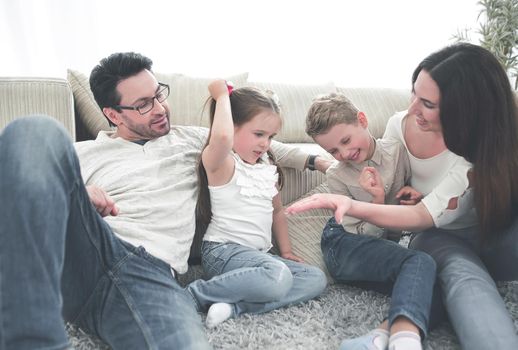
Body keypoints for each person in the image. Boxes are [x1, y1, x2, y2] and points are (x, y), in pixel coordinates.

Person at [0, 52, 329, 350]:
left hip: (150, 275)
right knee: (34, 131)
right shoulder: (80, 152)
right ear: (113, 114)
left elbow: (261, 146)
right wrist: (77, 192)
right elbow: (18, 188)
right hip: (83, 251)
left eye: (159, 94)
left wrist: (320, 162)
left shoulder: (192, 139)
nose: (159, 108)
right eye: (143, 104)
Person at [287, 43, 518, 350]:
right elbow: (411, 207)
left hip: (497, 233)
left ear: (466, 108)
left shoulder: (483, 148)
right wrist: (362, 197)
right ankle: (391, 334)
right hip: (440, 236)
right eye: (413, 94)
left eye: (427, 103)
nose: (412, 108)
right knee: (450, 279)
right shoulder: (399, 127)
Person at [186, 80, 327, 329]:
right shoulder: (223, 163)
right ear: (232, 127)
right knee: (277, 276)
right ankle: (194, 295)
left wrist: (285, 252)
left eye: (271, 137)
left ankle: (234, 307)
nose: (265, 144)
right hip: (223, 252)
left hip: (258, 259)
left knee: (315, 278)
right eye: (259, 134)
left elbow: (277, 212)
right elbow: (220, 136)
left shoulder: (266, 167)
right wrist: (221, 97)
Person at [305, 93, 436, 350]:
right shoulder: (338, 176)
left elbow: (402, 213)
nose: (343, 153)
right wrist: (376, 200)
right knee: (419, 262)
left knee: (429, 282)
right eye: (333, 150)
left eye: (345, 140)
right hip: (343, 243)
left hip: (380, 243)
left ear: (362, 120)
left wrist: (417, 197)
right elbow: (368, 237)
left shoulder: (396, 151)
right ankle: (405, 342)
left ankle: (376, 338)